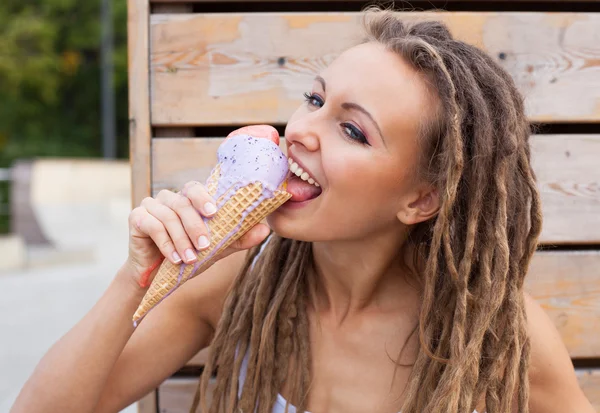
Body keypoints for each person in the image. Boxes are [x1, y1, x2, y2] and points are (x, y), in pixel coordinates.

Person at [12, 8, 595, 413]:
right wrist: (135, 279)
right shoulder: (232, 278)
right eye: (314, 99)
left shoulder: (491, 331)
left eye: (351, 129)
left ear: (420, 199)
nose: (300, 132)